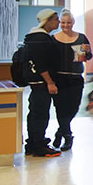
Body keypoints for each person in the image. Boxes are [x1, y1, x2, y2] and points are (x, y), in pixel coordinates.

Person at [50, 9, 91, 151]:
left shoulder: (81, 37)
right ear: (59, 23)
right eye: (63, 22)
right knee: (61, 109)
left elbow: (88, 57)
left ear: (73, 23)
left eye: (68, 22)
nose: (66, 25)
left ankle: (60, 131)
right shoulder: (53, 38)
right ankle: (68, 136)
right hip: (59, 78)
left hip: (75, 78)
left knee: (74, 107)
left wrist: (87, 52)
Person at [23, 9, 62, 157]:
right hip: (42, 82)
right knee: (41, 114)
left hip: (36, 83)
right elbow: (40, 64)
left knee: (34, 113)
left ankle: (32, 143)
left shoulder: (34, 37)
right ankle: (39, 146)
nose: (58, 22)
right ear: (48, 20)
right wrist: (50, 82)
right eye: (56, 19)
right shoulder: (40, 38)